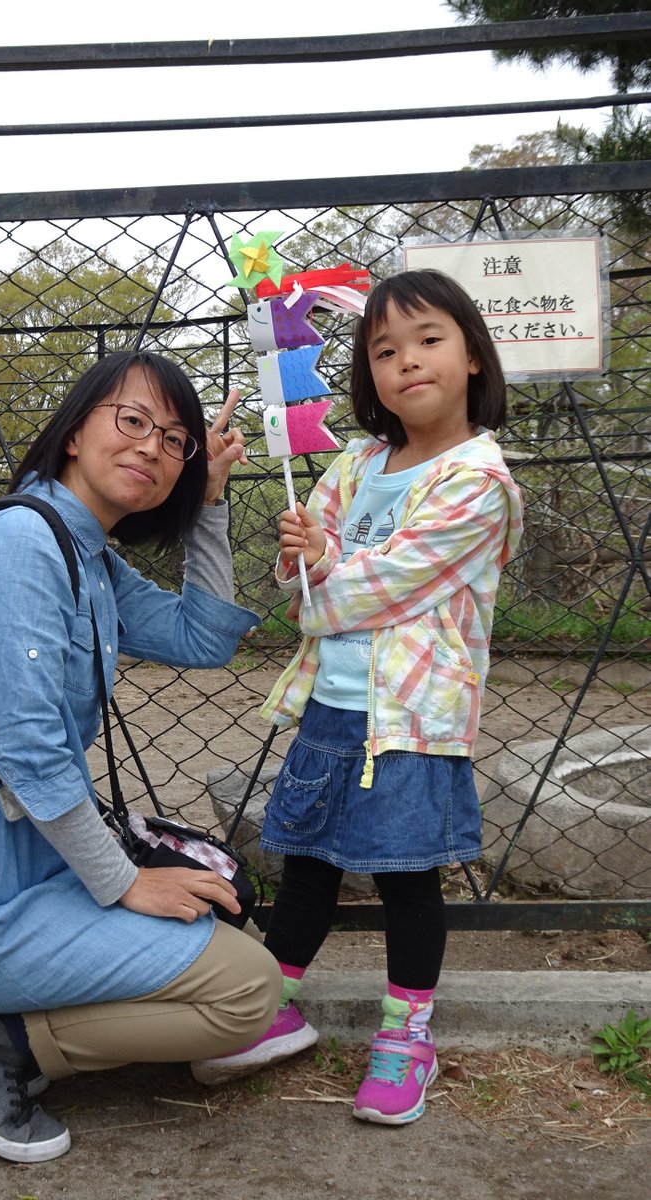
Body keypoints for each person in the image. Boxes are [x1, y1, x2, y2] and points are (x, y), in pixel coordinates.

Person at [0, 350, 282, 1163]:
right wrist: (127, 881)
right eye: (131, 421)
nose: (152, 448)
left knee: (233, 925)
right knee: (247, 991)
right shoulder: (24, 545)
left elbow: (201, 639)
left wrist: (208, 508)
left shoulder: (85, 554)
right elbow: (29, 755)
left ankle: (4, 1022)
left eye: (176, 442)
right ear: (74, 432)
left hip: (25, 877)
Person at [191, 269, 523, 1126]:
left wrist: (321, 580)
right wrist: (302, 547)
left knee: (409, 880)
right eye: (384, 350)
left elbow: (371, 591)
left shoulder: (477, 481)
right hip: (332, 710)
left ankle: (406, 1038)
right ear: (366, 375)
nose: (406, 361)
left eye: (427, 340)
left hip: (413, 720)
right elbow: (305, 580)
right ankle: (265, 1005)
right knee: (307, 868)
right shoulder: (360, 459)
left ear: (474, 358)